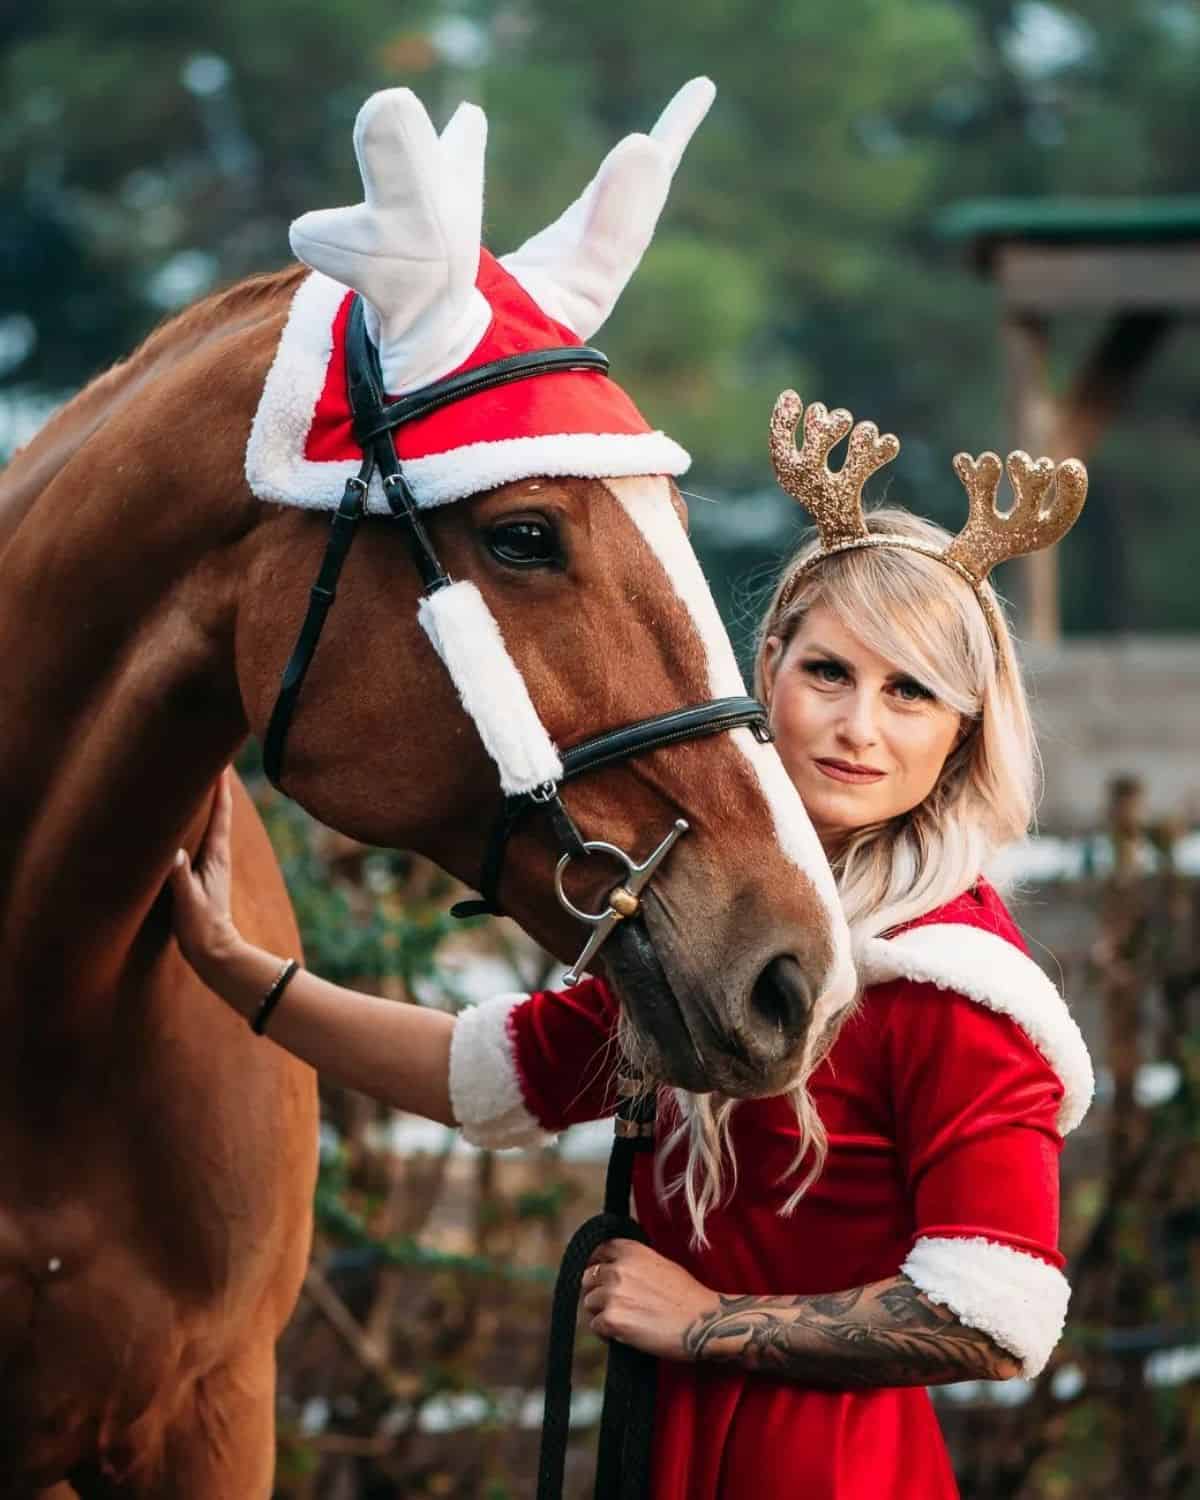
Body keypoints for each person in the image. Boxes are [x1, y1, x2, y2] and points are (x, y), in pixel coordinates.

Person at [169, 419, 1094, 1498]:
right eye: (829, 671)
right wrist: (243, 975)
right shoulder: (723, 944)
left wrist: (707, 1325)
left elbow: (997, 1313)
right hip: (662, 1450)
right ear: (766, 674)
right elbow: (488, 1073)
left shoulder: (955, 988)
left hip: (834, 1475)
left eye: (910, 694)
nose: (857, 727)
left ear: (962, 738)